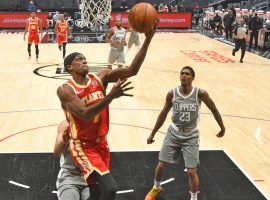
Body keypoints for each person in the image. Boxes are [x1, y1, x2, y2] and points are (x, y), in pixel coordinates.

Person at [57, 23, 156, 200]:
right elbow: (85, 114)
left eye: (85, 58)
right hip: (83, 145)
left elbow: (132, 70)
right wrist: (110, 97)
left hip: (102, 144)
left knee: (97, 192)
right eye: (79, 59)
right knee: (110, 189)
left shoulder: (101, 77)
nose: (84, 61)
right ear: (69, 67)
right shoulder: (66, 89)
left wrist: (148, 40)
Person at [144, 66, 225, 200]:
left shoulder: (200, 93)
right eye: (182, 73)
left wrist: (222, 126)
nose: (183, 76)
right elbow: (163, 113)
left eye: (187, 74)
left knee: (192, 171)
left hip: (191, 135)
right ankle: (156, 187)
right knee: (161, 164)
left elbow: (214, 109)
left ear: (193, 77)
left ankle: (193, 198)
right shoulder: (172, 93)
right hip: (174, 133)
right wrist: (153, 133)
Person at [54, 120, 91, 200]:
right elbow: (56, 152)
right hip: (69, 176)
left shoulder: (93, 125)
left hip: (89, 176)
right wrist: (65, 141)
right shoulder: (65, 125)